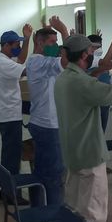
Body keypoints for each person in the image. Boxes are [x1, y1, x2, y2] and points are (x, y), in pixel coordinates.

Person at [54, 34, 112, 222]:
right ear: (84, 55)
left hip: (73, 154)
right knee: (94, 212)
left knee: (75, 208)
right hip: (90, 155)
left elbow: (87, 84)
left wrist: (99, 71)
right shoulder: (82, 83)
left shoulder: (64, 78)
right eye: (91, 52)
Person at [25, 17, 68, 207]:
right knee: (55, 174)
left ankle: (39, 209)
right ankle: (54, 215)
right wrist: (64, 31)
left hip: (43, 122)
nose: (55, 46)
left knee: (42, 171)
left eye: (57, 42)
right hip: (47, 125)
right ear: (40, 43)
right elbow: (67, 61)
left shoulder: (43, 61)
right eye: (52, 42)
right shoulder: (37, 62)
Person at [0, 25, 33, 174]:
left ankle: (8, 183)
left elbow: (20, 59)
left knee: (10, 150)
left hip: (4, 113)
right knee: (12, 155)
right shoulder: (3, 63)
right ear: (6, 45)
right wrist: (41, 58)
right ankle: (11, 185)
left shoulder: (0, 59)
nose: (18, 48)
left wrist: (27, 39)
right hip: (9, 115)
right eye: (16, 45)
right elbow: (26, 70)